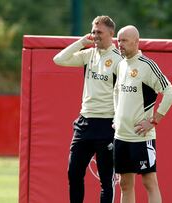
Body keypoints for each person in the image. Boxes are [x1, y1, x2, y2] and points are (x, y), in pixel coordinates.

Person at [53, 16, 123, 203]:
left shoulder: (118, 60)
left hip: (107, 124)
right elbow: (58, 59)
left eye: (99, 32)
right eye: (93, 31)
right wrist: (80, 42)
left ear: (111, 33)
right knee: (73, 173)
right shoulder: (88, 54)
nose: (95, 35)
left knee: (106, 180)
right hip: (84, 123)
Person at [113, 25, 172, 203]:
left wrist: (154, 120)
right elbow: (116, 92)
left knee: (149, 183)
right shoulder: (121, 65)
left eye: (124, 40)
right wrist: (115, 118)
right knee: (125, 184)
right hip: (121, 136)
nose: (120, 44)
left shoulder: (148, 66)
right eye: (118, 40)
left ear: (136, 41)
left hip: (141, 137)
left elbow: (170, 93)